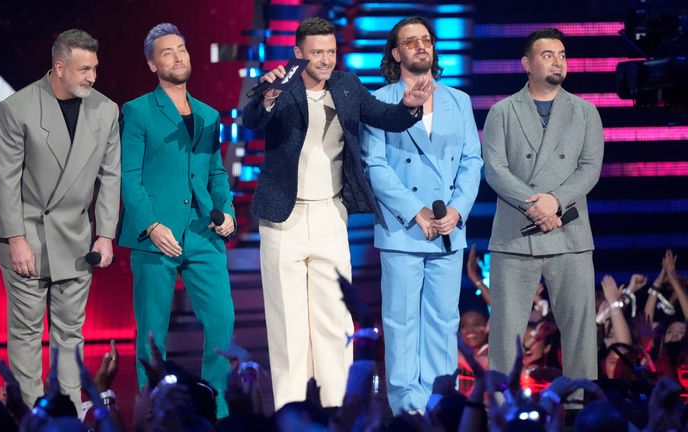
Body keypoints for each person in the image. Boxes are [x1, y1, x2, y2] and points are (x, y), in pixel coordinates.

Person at [242, 17, 432, 409]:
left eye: (330, 51)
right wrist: (268, 96)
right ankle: (291, 412)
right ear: (298, 52)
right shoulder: (279, 85)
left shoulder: (347, 85)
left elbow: (385, 115)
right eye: (317, 53)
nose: (326, 60)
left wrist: (410, 106)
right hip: (283, 218)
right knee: (289, 325)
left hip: (330, 213)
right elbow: (251, 120)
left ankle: (335, 409)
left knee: (333, 319)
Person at [0, 29, 120, 413]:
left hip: (77, 241)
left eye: (95, 68)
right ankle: (33, 417)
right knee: (27, 335)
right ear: (59, 68)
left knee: (70, 336)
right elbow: (5, 180)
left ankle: (67, 414)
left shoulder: (106, 110)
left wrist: (106, 234)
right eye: (83, 69)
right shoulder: (17, 108)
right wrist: (15, 237)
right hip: (28, 237)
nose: (91, 77)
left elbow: (111, 177)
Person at [359, 16, 482, 414]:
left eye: (425, 40)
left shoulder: (458, 100)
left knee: (444, 321)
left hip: (448, 228)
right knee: (400, 323)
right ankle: (405, 410)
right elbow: (375, 164)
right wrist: (416, 212)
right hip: (402, 228)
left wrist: (459, 210)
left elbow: (471, 162)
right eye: (410, 41)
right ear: (396, 52)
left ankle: (440, 405)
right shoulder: (379, 100)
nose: (420, 46)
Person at [117, 23, 236, 418]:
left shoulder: (207, 115)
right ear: (152, 64)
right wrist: (151, 224)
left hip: (203, 231)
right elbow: (128, 177)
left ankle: (214, 406)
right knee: (153, 331)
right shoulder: (136, 111)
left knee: (222, 318)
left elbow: (216, 173)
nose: (179, 56)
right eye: (167, 52)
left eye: (182, 49)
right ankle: (154, 408)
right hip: (156, 235)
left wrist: (228, 212)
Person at [482, 28, 604, 383]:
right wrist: (533, 204)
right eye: (548, 54)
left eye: (562, 55)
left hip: (570, 234)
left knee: (580, 330)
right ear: (527, 63)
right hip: (515, 237)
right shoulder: (502, 111)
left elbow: (589, 169)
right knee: (506, 334)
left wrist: (555, 201)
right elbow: (495, 169)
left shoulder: (585, 112)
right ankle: (500, 409)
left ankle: (581, 411)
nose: (558, 61)